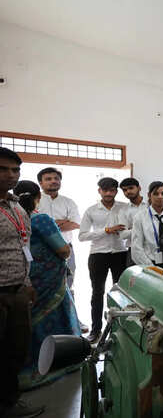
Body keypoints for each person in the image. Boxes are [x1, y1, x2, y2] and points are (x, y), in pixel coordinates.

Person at [14, 181, 82, 389]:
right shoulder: (41, 219)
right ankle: (58, 363)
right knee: (57, 316)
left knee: (27, 320)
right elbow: (63, 250)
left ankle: (24, 369)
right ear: (38, 198)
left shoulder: (12, 218)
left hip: (24, 278)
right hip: (50, 281)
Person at [0, 147, 44, 418]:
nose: (11, 175)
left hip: (18, 290)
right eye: (3, 169)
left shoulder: (17, 207)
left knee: (15, 350)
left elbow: (23, 247)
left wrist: (27, 282)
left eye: (15, 170)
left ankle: (9, 402)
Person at [35, 167, 87, 332]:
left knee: (68, 286)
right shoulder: (36, 201)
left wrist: (48, 223)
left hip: (66, 249)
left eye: (56, 178)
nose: (53, 181)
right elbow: (32, 223)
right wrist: (62, 222)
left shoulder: (68, 202)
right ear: (41, 183)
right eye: (48, 179)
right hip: (41, 253)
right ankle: (42, 322)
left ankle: (72, 321)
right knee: (42, 286)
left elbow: (76, 224)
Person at [79, 177, 128, 343]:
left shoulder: (124, 207)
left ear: (116, 191)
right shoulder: (91, 210)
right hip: (98, 254)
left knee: (121, 293)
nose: (108, 193)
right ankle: (96, 330)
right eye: (105, 190)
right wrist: (106, 230)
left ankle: (119, 330)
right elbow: (82, 236)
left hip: (120, 253)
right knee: (97, 293)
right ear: (99, 191)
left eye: (112, 190)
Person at [131, 181, 163, 267]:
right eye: (156, 194)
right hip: (149, 262)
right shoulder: (140, 217)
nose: (160, 197)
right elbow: (136, 248)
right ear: (149, 195)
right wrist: (151, 267)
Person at [118, 177, 145, 267]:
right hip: (133, 250)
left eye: (131, 188)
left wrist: (132, 229)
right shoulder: (123, 210)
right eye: (125, 190)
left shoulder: (151, 205)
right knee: (132, 275)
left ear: (139, 188)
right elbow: (123, 235)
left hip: (153, 248)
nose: (128, 191)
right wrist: (144, 228)